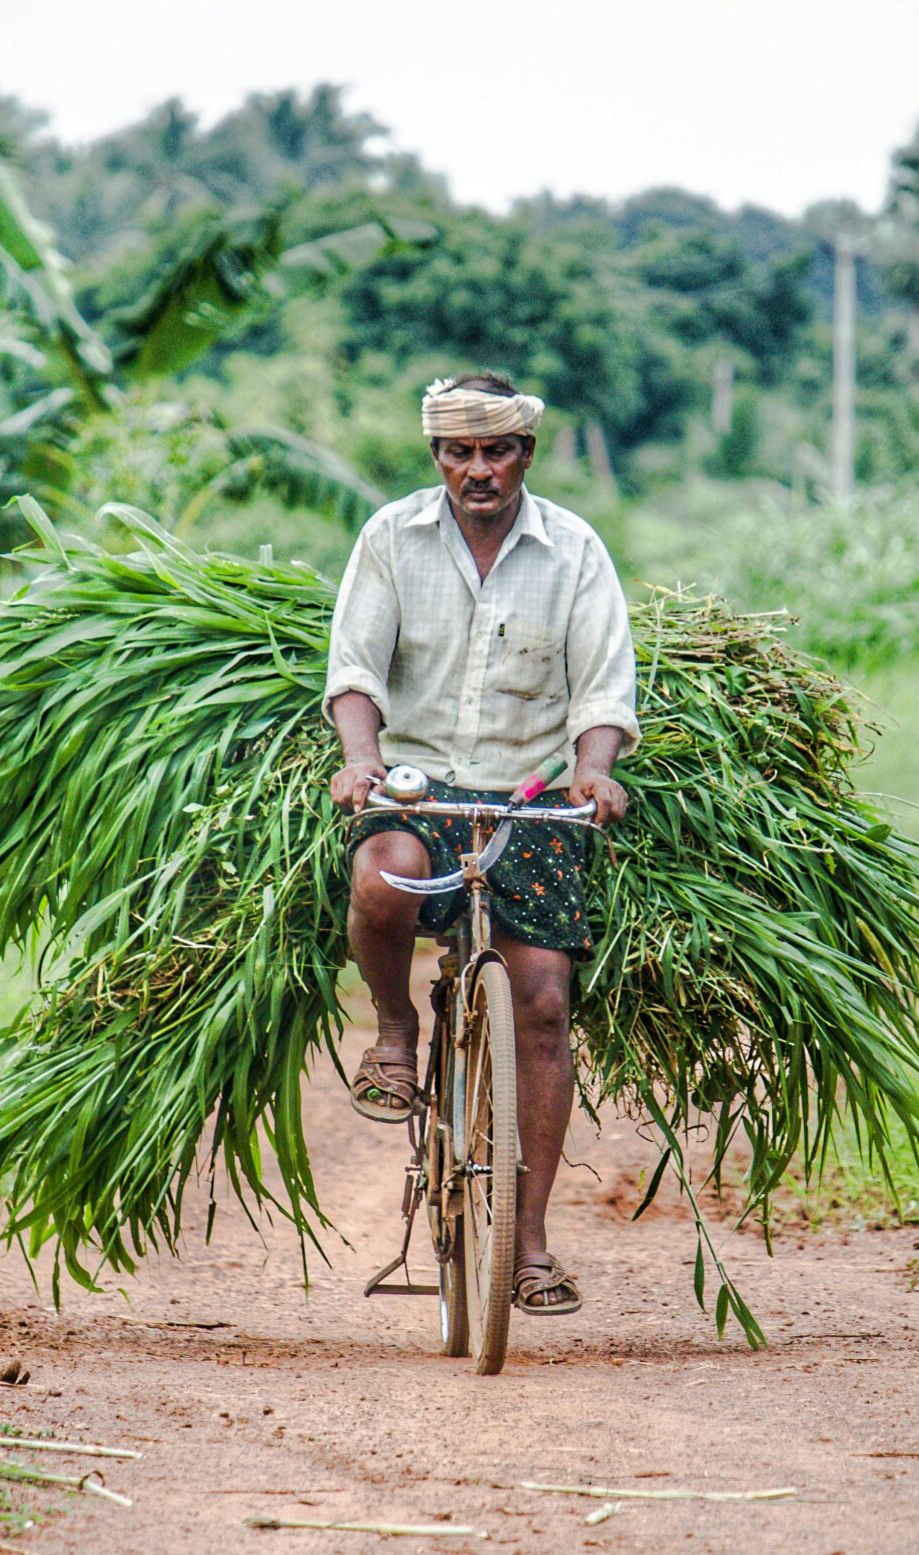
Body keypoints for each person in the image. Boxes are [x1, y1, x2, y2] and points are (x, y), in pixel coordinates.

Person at [322, 373, 638, 1318]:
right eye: (458, 453)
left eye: (495, 451)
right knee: (383, 881)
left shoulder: (575, 550)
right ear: (437, 459)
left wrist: (594, 767)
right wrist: (361, 760)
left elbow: (603, 689)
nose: (478, 471)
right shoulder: (391, 537)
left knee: (542, 1002)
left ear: (526, 455)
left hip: (530, 799)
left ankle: (529, 1241)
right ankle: (394, 1030)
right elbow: (355, 669)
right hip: (419, 785)